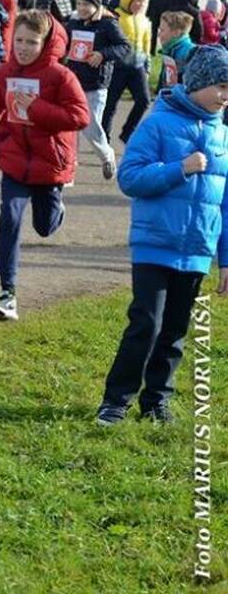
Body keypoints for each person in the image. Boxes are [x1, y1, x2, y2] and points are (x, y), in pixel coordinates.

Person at [95, 45, 228, 426]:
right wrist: (179, 168)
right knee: (146, 325)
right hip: (155, 245)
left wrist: (225, 259)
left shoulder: (223, 135)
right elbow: (130, 177)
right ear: (198, 82)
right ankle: (116, 401)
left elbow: (225, 204)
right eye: (221, 86)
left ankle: (156, 401)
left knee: (174, 331)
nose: (225, 96)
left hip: (196, 249)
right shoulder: (158, 123)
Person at [0, 11, 90, 322]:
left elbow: (80, 117)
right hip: (14, 159)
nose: (23, 48)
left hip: (49, 163)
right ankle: (7, 292)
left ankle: (57, 207)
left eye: (32, 42)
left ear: (46, 43)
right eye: (19, 40)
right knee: (9, 216)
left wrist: (36, 107)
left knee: (44, 227)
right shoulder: (4, 71)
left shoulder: (61, 76)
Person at [64, 0, 128, 180]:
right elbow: (64, 43)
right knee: (70, 124)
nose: (82, 8)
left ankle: (107, 155)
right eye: (79, 4)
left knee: (89, 125)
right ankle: (68, 165)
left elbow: (124, 46)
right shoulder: (73, 22)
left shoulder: (108, 24)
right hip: (73, 81)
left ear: (97, 5)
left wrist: (103, 54)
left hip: (96, 84)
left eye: (86, 4)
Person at [104, 0, 152, 144]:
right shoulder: (115, 17)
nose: (141, 5)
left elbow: (146, 44)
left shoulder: (144, 20)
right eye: (137, 1)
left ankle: (127, 133)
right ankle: (104, 138)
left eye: (143, 1)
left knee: (144, 100)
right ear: (127, 0)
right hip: (117, 67)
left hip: (137, 66)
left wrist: (147, 67)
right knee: (110, 105)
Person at [156, 11, 197, 92]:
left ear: (176, 33)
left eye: (162, 30)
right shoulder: (170, 50)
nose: (159, 34)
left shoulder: (186, 54)